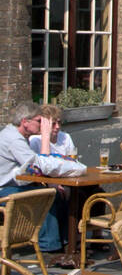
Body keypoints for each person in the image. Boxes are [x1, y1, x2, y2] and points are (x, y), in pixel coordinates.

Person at [0, 103, 66, 255]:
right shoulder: (14, 140)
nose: (42, 124)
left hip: (15, 184)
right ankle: (49, 246)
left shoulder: (18, 136)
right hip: (4, 189)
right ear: (25, 122)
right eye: (39, 121)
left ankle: (64, 241)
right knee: (46, 196)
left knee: (56, 193)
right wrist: (45, 136)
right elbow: (39, 167)